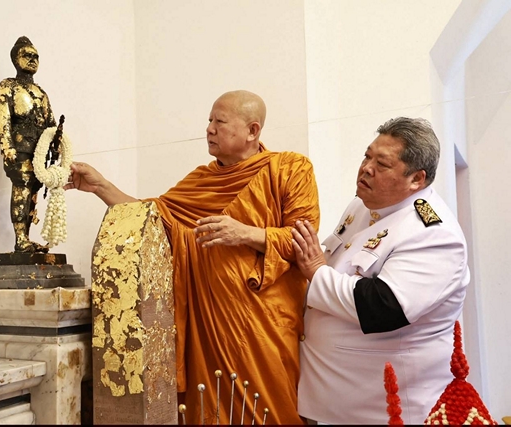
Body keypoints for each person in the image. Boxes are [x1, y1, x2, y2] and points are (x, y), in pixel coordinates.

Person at [66, 90, 320, 424]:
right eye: (209, 120)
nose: (210, 129)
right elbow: (151, 218)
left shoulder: (290, 169)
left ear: (252, 130)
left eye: (220, 122)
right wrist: (100, 186)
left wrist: (245, 233)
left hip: (263, 327)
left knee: (269, 411)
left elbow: (303, 241)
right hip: (207, 327)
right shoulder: (201, 180)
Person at [291, 117, 469, 424]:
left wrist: (317, 272)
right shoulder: (363, 205)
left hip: (384, 410)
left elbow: (384, 306)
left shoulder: (434, 234)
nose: (366, 168)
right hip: (331, 400)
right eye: (367, 156)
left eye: (382, 164)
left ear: (416, 179)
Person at [0, 36, 56, 253]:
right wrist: (7, 146)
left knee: (34, 191)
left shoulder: (41, 92)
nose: (32, 59)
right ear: (15, 59)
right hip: (20, 148)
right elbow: (1, 116)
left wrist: (56, 143)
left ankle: (26, 239)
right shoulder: (8, 86)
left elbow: (50, 123)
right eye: (27, 55)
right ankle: (20, 238)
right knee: (22, 187)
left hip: (39, 151)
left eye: (36, 56)